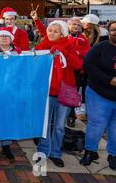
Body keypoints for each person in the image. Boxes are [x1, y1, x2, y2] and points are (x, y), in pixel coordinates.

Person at [32, 19, 83, 168]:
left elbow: (77, 65)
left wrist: (64, 52)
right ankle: (42, 152)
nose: (51, 33)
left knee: (59, 126)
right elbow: (33, 64)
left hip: (64, 92)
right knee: (45, 125)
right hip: (47, 92)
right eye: (49, 30)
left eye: (55, 30)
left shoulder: (69, 45)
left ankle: (55, 152)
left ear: (62, 32)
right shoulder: (42, 46)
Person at [80, 21, 116, 171]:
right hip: (98, 93)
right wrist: (109, 80)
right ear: (108, 31)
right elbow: (88, 65)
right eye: (113, 30)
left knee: (115, 127)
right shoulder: (100, 47)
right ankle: (90, 151)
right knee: (96, 125)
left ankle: (113, 155)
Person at [0, 28, 21, 162]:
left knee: (9, 118)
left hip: (11, 91)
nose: (4, 38)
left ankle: (6, 146)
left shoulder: (18, 53)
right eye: (2, 36)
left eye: (7, 36)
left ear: (12, 39)